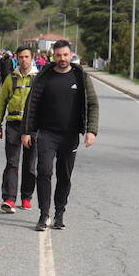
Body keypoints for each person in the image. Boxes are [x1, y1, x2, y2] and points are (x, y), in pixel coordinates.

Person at [21, 40, 99, 231]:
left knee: (64, 176)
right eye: (58, 55)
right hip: (47, 134)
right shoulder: (44, 77)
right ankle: (43, 214)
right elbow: (31, 105)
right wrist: (27, 131)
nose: (62, 58)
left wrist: (91, 130)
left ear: (71, 54)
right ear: (53, 56)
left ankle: (59, 213)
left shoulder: (80, 76)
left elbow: (92, 104)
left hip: (70, 135)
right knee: (44, 172)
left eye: (65, 55)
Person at [0, 46, 39, 213]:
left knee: (30, 164)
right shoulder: (10, 78)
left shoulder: (39, 79)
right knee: (12, 163)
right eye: (21, 57)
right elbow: (1, 103)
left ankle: (26, 197)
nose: (24, 60)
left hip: (33, 126)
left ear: (32, 58)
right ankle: (9, 199)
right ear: (17, 59)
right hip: (13, 124)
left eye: (27, 57)